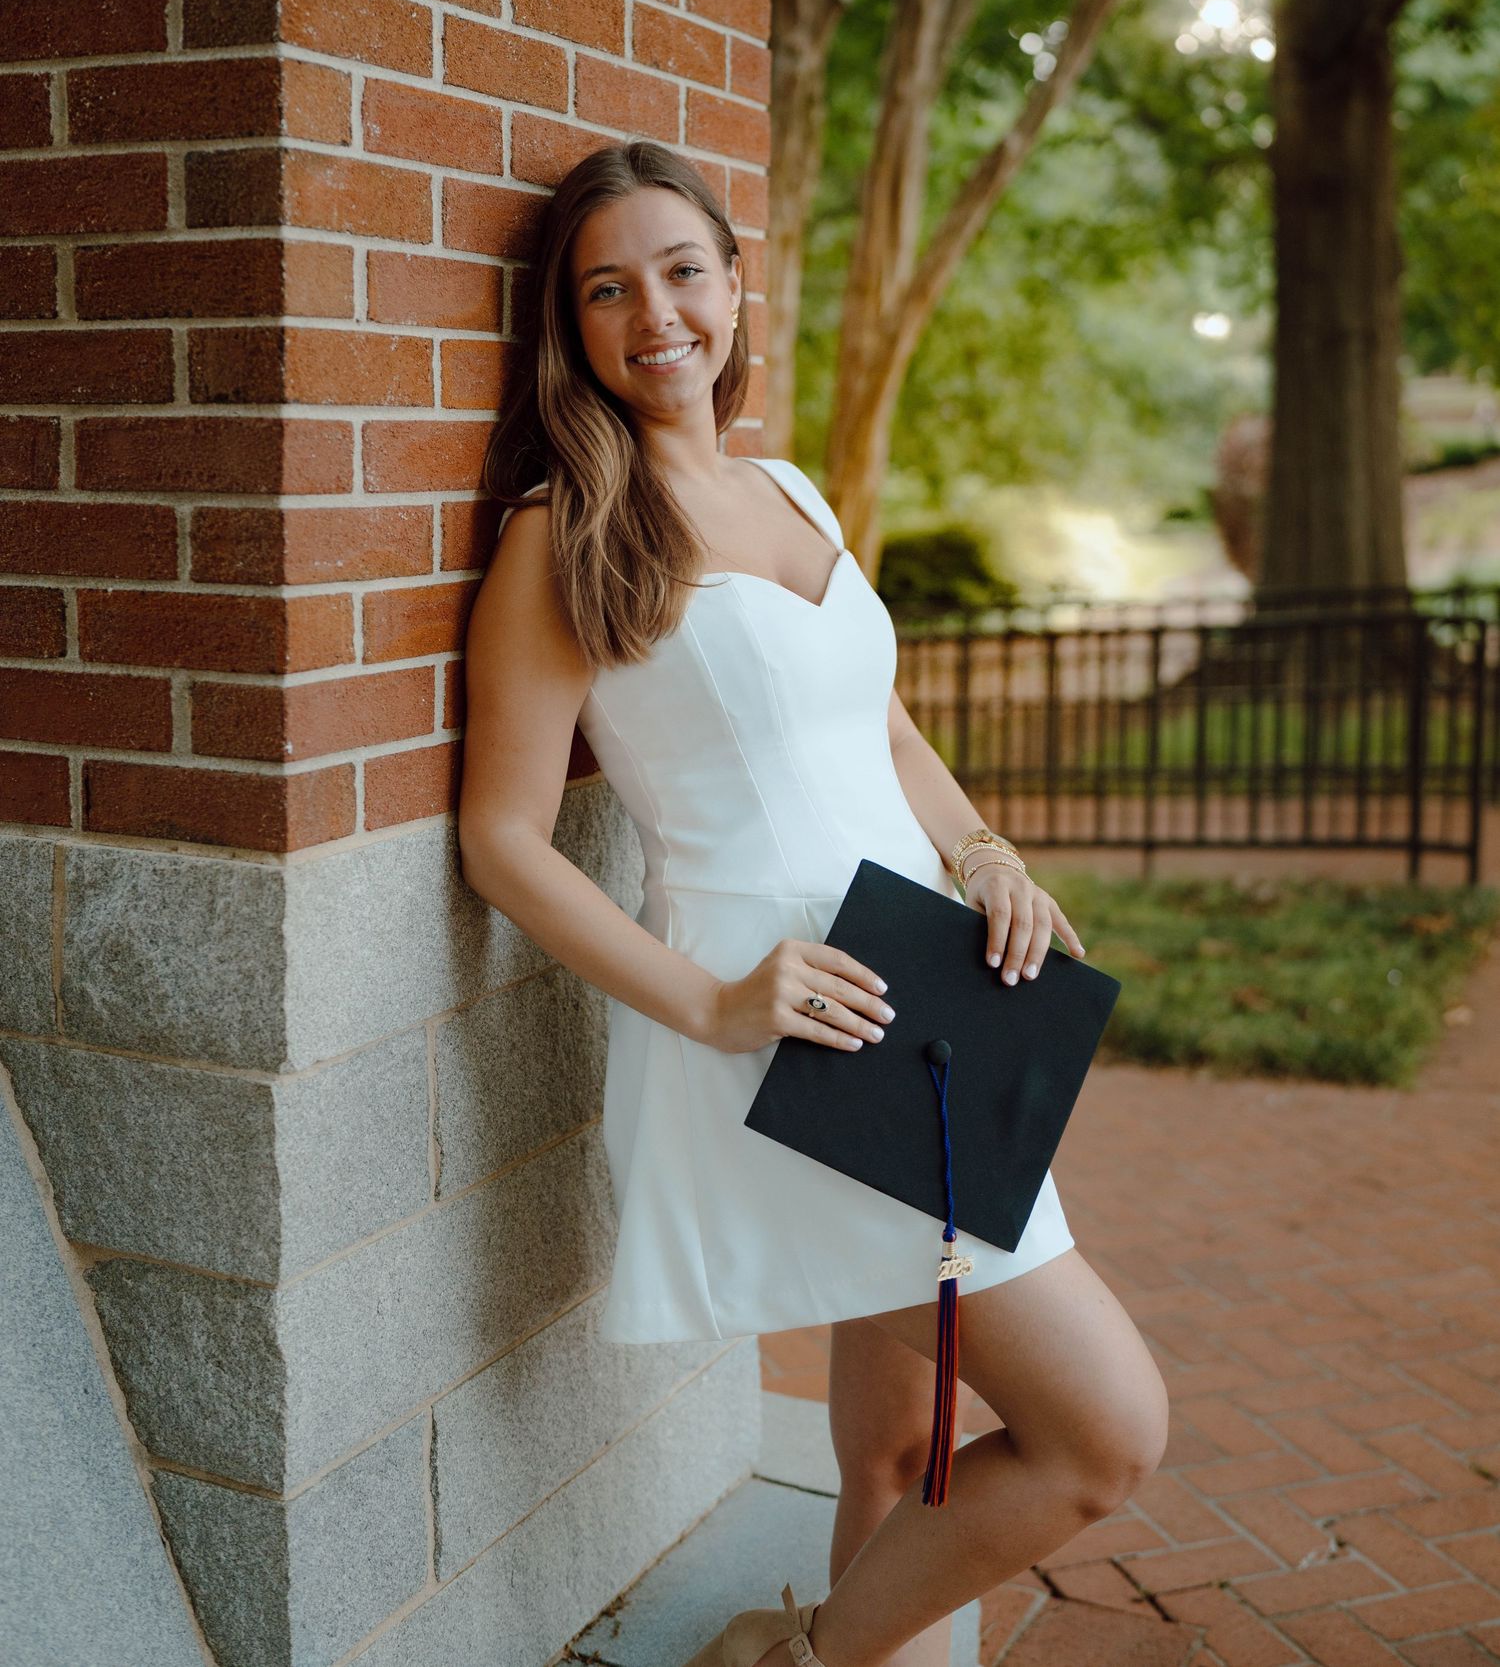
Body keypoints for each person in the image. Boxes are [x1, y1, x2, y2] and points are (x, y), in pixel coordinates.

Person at [457, 140, 1167, 1667]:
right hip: (793, 1033)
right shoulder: (564, 527)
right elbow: (504, 839)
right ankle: (797, 1657)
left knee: (900, 1452)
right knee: (1105, 1435)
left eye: (683, 270)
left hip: (929, 997)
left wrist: (987, 854)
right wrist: (711, 1000)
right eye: (607, 289)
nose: (656, 314)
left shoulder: (783, 485)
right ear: (568, 328)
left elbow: (884, 732)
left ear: (734, 282)